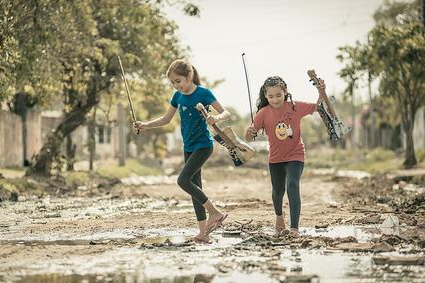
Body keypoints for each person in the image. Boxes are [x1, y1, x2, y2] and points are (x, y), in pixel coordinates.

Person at [134, 59, 229, 243]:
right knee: (196, 188)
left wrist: (215, 118)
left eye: (178, 81)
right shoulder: (177, 97)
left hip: (203, 145)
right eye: (172, 82)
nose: (176, 85)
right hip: (188, 147)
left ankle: (215, 212)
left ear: (189, 76)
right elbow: (165, 119)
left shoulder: (203, 93)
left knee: (182, 180)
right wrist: (145, 125)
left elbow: (226, 113)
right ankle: (204, 234)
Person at [245, 76, 325, 236]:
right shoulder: (263, 113)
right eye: (271, 96)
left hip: (296, 154)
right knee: (277, 191)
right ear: (266, 96)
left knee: (293, 185)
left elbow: (319, 107)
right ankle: (279, 218)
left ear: (285, 92)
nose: (275, 99)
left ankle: (294, 228)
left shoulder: (295, 107)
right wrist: (249, 133)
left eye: (278, 95)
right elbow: (248, 138)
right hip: (276, 158)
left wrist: (321, 91)